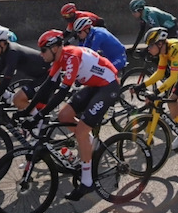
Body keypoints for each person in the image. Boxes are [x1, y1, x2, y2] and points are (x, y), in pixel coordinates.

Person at [24, 28, 122, 200]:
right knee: (63, 116)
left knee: (81, 132)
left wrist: (38, 116)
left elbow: (61, 93)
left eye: (43, 50)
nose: (41, 54)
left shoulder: (71, 57)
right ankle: (90, 144)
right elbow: (47, 87)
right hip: (95, 85)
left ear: (54, 48)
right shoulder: (60, 58)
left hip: (109, 85)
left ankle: (87, 181)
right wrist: (27, 111)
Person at [0, 26, 50, 118]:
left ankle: (39, 121)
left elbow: (6, 80)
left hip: (48, 77)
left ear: (2, 43)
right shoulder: (5, 52)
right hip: (40, 76)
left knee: (18, 99)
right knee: (18, 104)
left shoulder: (12, 53)